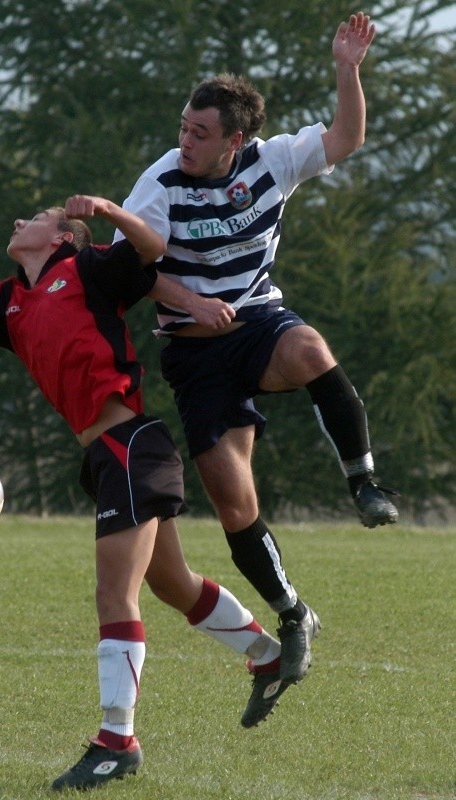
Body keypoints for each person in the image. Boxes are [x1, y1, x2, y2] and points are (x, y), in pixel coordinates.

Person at [0, 197, 293, 792]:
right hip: (106, 456)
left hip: (130, 446)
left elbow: (149, 251)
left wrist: (112, 211)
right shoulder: (10, 301)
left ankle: (117, 741)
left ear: (63, 236)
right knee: (172, 584)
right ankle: (269, 655)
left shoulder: (90, 267)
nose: (18, 220)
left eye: (33, 217)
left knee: (114, 593)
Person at [114, 12, 399, 689]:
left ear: (235, 141)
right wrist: (193, 304)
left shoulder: (273, 161)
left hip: (258, 324)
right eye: (184, 127)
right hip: (194, 353)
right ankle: (292, 611)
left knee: (307, 349)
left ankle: (364, 482)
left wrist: (347, 70)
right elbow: (131, 271)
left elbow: (347, 137)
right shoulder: (161, 185)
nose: (185, 141)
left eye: (200, 133)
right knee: (234, 501)